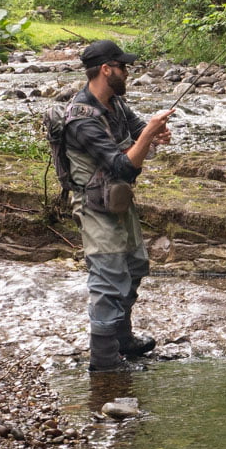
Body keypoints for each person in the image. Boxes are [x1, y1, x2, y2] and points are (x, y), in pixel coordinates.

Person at [64, 39, 174, 373]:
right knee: (108, 277)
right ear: (106, 69)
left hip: (118, 201)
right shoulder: (80, 117)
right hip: (94, 205)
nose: (127, 72)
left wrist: (156, 134)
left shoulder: (117, 105)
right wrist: (147, 136)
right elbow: (123, 166)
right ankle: (104, 361)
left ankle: (123, 338)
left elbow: (141, 133)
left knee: (136, 265)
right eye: (123, 66)